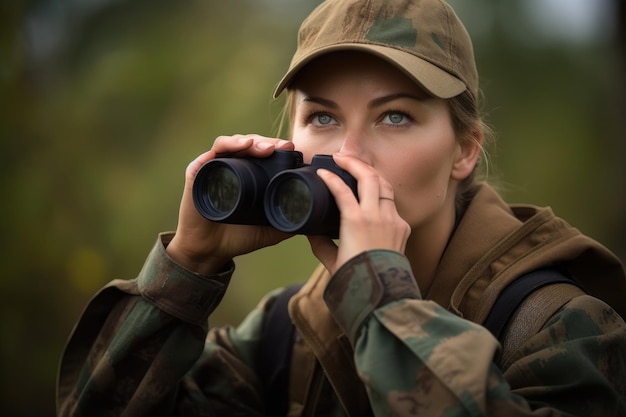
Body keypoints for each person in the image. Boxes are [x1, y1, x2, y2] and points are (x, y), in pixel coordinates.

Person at [57, 0, 626, 416]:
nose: (348, 154)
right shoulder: (288, 337)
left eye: (394, 116)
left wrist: (379, 301)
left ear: (464, 150)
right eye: (323, 118)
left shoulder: (560, 327)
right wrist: (187, 267)